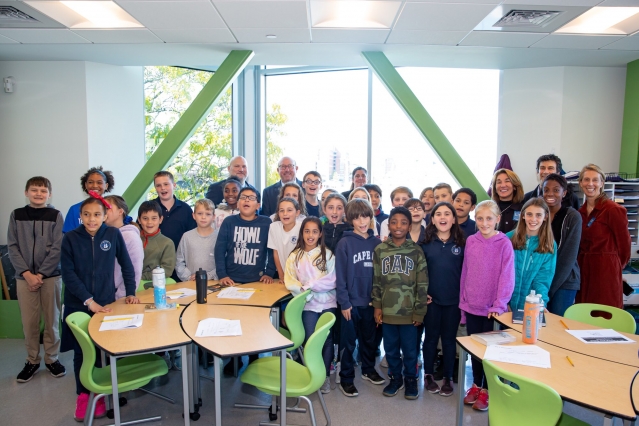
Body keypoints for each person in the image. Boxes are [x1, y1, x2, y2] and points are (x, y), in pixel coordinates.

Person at [60, 193, 139, 422]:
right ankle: (83, 394)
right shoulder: (70, 239)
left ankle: (102, 392)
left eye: (97, 214)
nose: (91, 219)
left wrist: (131, 293)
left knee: (104, 349)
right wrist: (89, 301)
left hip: (106, 303)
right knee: (81, 352)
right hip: (79, 304)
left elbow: (127, 265)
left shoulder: (113, 234)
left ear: (105, 216)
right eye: (86, 215)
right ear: (80, 217)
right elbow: (68, 274)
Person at [8, 176, 66, 384]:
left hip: (50, 277)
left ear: (49, 194)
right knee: (29, 323)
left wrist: (40, 274)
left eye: (43, 190)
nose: (39, 194)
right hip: (24, 278)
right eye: (34, 190)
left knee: (51, 321)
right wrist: (27, 274)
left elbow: (57, 247)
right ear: (26, 192)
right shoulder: (16, 215)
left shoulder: (56, 215)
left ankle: (52, 359)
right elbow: (12, 246)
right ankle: (32, 360)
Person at [460, 200, 515, 412]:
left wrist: (500, 303)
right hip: (472, 305)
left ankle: (488, 388)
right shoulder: (471, 241)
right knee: (475, 350)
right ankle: (475, 384)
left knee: (490, 352)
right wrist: (463, 303)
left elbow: (507, 276)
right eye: (480, 219)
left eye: (489, 218)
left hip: (492, 310)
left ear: (498, 219)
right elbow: (465, 272)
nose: (484, 223)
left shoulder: (504, 244)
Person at [215, 187, 275, 373]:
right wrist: (222, 274)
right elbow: (220, 249)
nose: (246, 200)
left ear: (258, 204)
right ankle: (234, 359)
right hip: (232, 280)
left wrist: (269, 272)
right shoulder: (229, 222)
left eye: (251, 198)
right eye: (243, 197)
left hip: (256, 282)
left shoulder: (266, 223)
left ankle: (254, 357)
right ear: (238, 203)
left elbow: (273, 250)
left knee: (254, 322)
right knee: (233, 321)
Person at [373, 207, 429, 400]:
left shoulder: (416, 251)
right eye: (394, 222)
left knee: (411, 350)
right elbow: (376, 281)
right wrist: (377, 306)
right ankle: (395, 378)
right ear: (388, 225)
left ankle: (411, 379)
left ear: (410, 226)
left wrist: (419, 311)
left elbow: (422, 283)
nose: (398, 226)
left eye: (403, 222)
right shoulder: (380, 250)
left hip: (409, 312)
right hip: (387, 312)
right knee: (390, 349)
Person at [335, 199, 384, 397]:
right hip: (351, 304)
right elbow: (340, 275)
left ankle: (368, 369)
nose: (362, 221)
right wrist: (344, 302)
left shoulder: (377, 243)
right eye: (357, 218)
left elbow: (381, 276)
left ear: (371, 217)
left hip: (371, 303)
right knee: (348, 343)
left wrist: (379, 302)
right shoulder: (344, 243)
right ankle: (346, 378)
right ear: (350, 220)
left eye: (365, 216)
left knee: (370, 340)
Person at [285, 217, 337, 394]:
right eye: (307, 231)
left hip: (327, 303)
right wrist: (303, 291)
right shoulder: (295, 256)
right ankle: (311, 373)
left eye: (315, 231)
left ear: (320, 233)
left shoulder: (328, 254)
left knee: (326, 340)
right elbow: (290, 280)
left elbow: (332, 280)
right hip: (308, 305)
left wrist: (310, 286)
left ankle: (325, 378)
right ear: (302, 233)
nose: (310, 235)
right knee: (309, 339)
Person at [420, 202, 465, 398]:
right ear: (433, 219)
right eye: (438, 214)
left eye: (447, 213)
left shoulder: (463, 244)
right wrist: (422, 293)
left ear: (454, 219)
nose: (443, 217)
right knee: (430, 339)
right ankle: (428, 375)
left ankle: (448, 377)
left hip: (454, 301)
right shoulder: (425, 244)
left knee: (448, 340)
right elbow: (418, 273)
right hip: (431, 301)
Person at [577, 164, 631, 309]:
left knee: (604, 313)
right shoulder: (580, 212)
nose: (590, 184)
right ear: (580, 183)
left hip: (605, 270)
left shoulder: (613, 210)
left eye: (595, 180)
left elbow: (625, 246)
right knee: (583, 312)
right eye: (586, 179)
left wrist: (617, 268)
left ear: (602, 183)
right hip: (584, 268)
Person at [506, 198, 557, 311]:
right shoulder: (508, 239)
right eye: (529, 214)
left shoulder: (549, 244)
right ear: (523, 215)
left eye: (538, 215)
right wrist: (504, 301)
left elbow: (543, 279)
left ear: (545, 217)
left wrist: (540, 303)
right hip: (505, 304)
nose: (533, 219)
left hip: (530, 306)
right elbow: (500, 273)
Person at [542, 174, 582, 316]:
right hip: (542, 281)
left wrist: (549, 289)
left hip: (564, 281)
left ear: (564, 193)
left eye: (556, 190)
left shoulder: (572, 217)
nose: (550, 194)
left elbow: (568, 257)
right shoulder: (539, 216)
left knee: (557, 327)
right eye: (546, 190)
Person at [152, 171, 197, 279]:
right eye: (159, 185)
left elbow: (192, 236)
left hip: (180, 264)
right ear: (155, 188)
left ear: (174, 185)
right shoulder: (150, 208)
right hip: (156, 264)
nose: (163, 188)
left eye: (166, 184)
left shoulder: (185, 209)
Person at [104, 195, 143, 300]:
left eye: (107, 208)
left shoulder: (130, 237)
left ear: (120, 212)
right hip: (102, 297)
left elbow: (135, 270)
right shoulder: (102, 235)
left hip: (118, 298)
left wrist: (120, 296)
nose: (103, 211)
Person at [176, 199, 219, 281]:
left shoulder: (219, 237)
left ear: (213, 217)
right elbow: (179, 262)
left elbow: (223, 263)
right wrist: (188, 277)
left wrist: (208, 276)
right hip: (191, 282)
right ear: (194, 215)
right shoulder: (186, 237)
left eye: (208, 214)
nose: (203, 217)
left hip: (213, 283)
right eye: (200, 213)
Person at [63, 166, 114, 233]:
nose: (95, 186)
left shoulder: (112, 208)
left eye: (99, 182)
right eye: (90, 182)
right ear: (85, 185)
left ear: (106, 186)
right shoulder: (74, 209)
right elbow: (68, 236)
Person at [138, 201, 176, 281]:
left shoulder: (167, 243)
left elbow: (167, 270)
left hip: (154, 283)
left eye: (154, 218)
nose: (149, 222)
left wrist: (141, 277)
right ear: (139, 220)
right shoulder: (134, 240)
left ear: (160, 219)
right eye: (145, 218)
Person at [268, 197, 302, 281]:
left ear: (297, 213)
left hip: (300, 275)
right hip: (283, 274)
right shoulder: (273, 227)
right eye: (281, 210)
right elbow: (275, 253)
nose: (285, 213)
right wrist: (281, 275)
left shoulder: (302, 227)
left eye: (289, 210)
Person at [490, 168, 525, 233]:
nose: (503, 185)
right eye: (499, 182)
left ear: (515, 186)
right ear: (495, 187)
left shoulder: (524, 209)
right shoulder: (489, 209)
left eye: (507, 181)